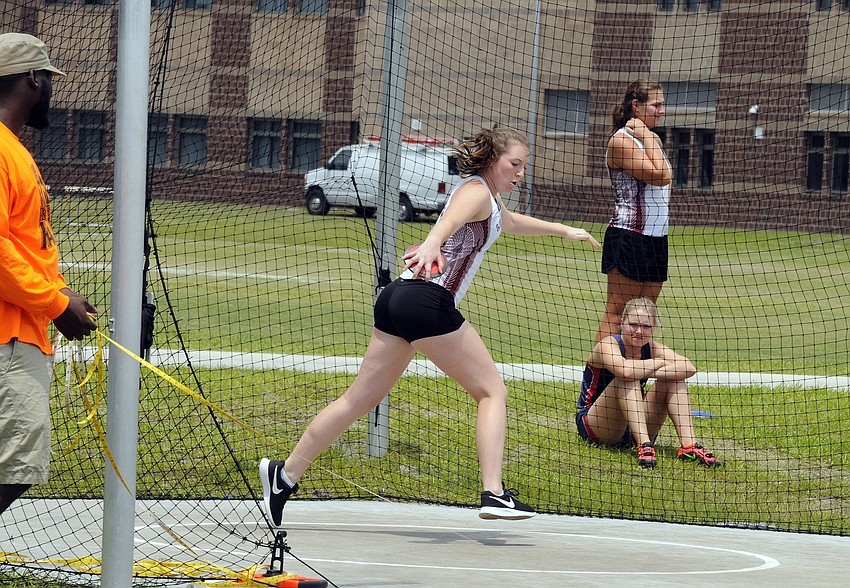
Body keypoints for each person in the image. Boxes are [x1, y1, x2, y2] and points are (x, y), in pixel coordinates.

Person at [261, 127, 600, 524]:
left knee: (357, 401)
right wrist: (432, 242)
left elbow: (508, 222)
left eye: (524, 166)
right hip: (427, 302)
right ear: (494, 161)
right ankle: (494, 493)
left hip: (397, 299)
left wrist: (564, 230)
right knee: (492, 392)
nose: (520, 173)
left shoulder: (486, 198)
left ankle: (283, 476)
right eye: (515, 164)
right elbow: (451, 220)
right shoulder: (475, 193)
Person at [0, 33, 98, 515]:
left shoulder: (13, 149)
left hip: (21, 332)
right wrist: (57, 303)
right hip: (6, 339)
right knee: (15, 469)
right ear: (33, 80)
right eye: (49, 81)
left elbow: (19, 244)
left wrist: (57, 292)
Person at [576, 297, 722, 468]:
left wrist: (651, 368)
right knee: (628, 378)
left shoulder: (652, 347)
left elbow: (689, 367)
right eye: (633, 325)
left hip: (632, 426)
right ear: (622, 323)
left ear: (654, 328)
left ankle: (689, 447)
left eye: (646, 326)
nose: (639, 331)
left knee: (673, 378)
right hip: (598, 425)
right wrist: (659, 363)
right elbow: (625, 371)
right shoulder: (607, 345)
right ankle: (645, 446)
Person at [596, 79, 672, 344]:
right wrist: (647, 136)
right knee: (618, 314)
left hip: (656, 238)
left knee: (644, 317)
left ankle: (631, 380)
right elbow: (661, 176)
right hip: (628, 236)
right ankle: (595, 384)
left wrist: (649, 137)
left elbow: (665, 182)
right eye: (656, 105)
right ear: (636, 106)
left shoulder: (650, 139)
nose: (662, 110)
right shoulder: (622, 141)